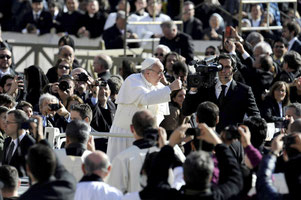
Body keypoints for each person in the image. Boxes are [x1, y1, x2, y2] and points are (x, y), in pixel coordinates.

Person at [132, 123, 242, 200]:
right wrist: (217, 142)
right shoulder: (222, 195)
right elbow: (235, 174)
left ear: (184, 176)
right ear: (210, 177)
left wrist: (169, 145)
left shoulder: (169, 196)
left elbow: (156, 181)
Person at [107, 57, 182, 160]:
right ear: (147, 73)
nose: (162, 76)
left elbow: (159, 115)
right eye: (159, 72)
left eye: (163, 72)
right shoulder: (133, 80)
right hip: (124, 134)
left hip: (145, 138)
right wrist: (170, 88)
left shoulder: (159, 86)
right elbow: (145, 98)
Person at [183, 53, 261, 132]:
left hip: (231, 138)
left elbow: (255, 116)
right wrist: (193, 90)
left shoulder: (244, 91)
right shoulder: (206, 87)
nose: (223, 70)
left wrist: (243, 130)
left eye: (227, 67)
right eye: (220, 66)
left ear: (234, 70)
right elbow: (186, 111)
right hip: (208, 136)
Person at [107, 110, 160, 193]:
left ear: (132, 128)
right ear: (156, 128)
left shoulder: (122, 159)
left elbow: (114, 193)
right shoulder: (172, 152)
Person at [2, 110, 35, 177]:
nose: (4, 125)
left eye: (8, 122)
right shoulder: (7, 141)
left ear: (20, 124)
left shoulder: (31, 144)